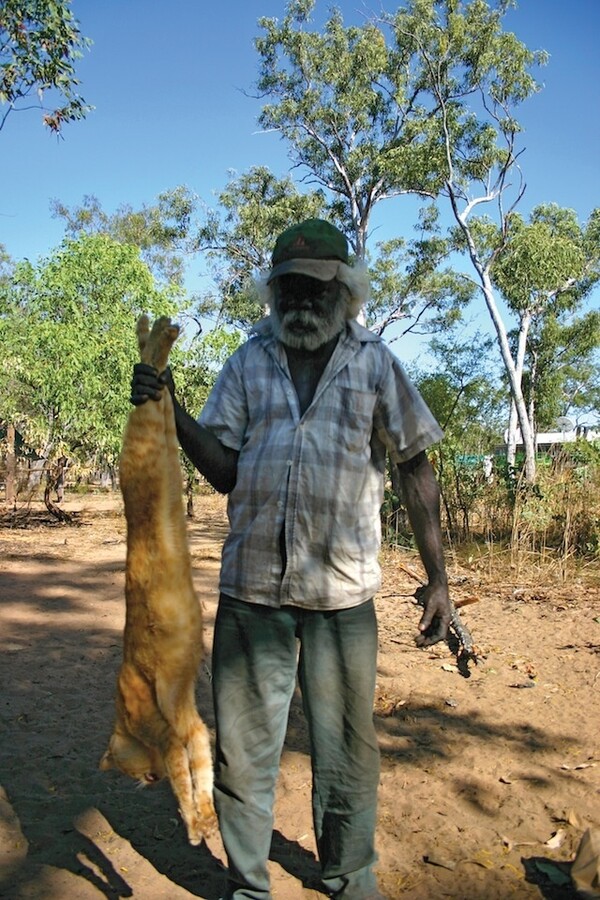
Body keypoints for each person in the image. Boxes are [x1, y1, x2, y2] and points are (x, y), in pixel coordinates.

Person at [131, 219, 452, 900]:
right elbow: (223, 469)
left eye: (316, 288)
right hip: (253, 593)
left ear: (346, 293)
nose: (301, 301)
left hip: (343, 599)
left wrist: (439, 580)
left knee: (346, 754)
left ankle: (347, 877)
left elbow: (415, 468)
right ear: (272, 292)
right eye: (288, 289)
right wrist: (172, 409)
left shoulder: (375, 363)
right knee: (243, 755)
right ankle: (250, 886)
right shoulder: (248, 361)